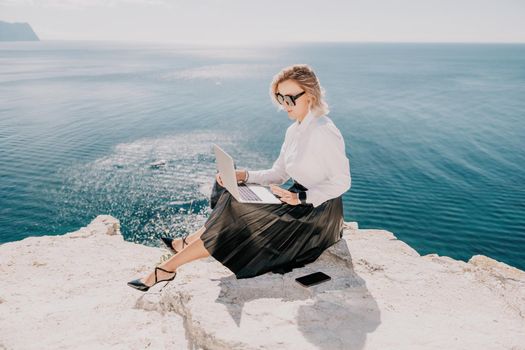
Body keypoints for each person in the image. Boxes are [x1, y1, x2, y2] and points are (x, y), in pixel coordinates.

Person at [128, 64, 351, 292]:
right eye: (280, 98)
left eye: (290, 98)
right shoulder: (294, 131)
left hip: (317, 215)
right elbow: (279, 174)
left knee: (237, 210)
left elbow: (342, 181)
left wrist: (302, 197)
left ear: (310, 95)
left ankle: (168, 266)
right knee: (231, 191)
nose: (284, 105)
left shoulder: (324, 131)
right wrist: (244, 175)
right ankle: (180, 250)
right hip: (294, 199)